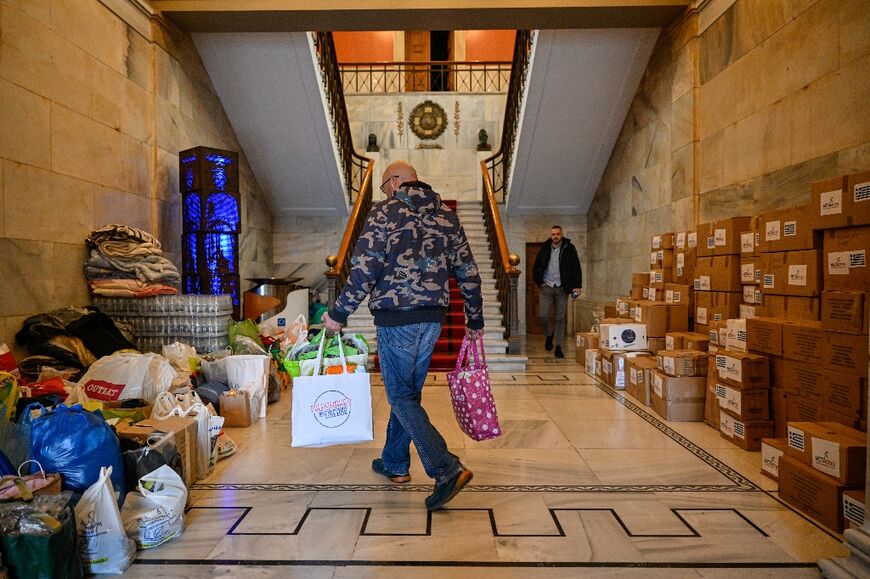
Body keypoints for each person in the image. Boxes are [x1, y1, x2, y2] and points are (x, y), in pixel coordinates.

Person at [322, 160, 483, 511]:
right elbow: (468, 270)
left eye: (384, 186)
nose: (384, 192)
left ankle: (445, 468)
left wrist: (338, 314)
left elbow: (364, 270)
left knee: (399, 396)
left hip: (396, 318)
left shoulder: (385, 214)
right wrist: (475, 317)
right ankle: (395, 462)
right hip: (433, 319)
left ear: (395, 182)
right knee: (407, 393)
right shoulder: (446, 216)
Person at [531, 225, 582, 358]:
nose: (555, 236)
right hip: (546, 286)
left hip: (562, 288)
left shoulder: (569, 248)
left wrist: (577, 285)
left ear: (561, 234)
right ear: (551, 235)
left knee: (560, 318)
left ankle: (558, 346)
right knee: (543, 315)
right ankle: (549, 335)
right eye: (553, 234)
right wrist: (539, 281)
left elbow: (576, 267)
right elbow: (537, 266)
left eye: (557, 234)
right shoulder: (545, 248)